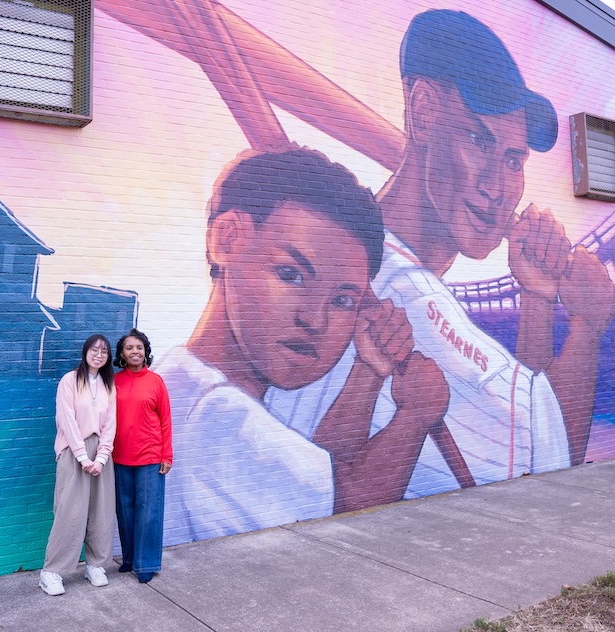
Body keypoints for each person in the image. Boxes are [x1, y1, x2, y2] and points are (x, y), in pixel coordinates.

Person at [266, 10, 615, 496]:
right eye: (478, 140)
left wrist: (536, 298)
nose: (498, 188)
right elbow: (550, 456)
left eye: (513, 160)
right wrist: (588, 326)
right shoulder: (387, 287)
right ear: (424, 110)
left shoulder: (396, 275)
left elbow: (524, 404)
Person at [155, 148, 449, 547]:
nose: (315, 319)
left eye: (343, 300)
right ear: (226, 239)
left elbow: (322, 472)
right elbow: (348, 507)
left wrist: (368, 370)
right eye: (291, 274)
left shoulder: (177, 383)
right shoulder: (216, 414)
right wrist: (415, 415)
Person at [38, 334, 117, 596]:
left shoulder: (108, 385)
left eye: (104, 352)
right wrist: (83, 457)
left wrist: (102, 456)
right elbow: (66, 420)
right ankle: (52, 572)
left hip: (101, 456)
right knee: (70, 511)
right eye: (94, 350)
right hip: (74, 451)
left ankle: (95, 565)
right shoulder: (70, 381)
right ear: (85, 352)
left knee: (101, 511)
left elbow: (110, 424)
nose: (98, 355)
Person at [113, 328, 172, 583]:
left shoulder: (156, 381)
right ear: (122, 354)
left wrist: (166, 455)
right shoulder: (114, 381)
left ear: (145, 352)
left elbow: (166, 420)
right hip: (119, 457)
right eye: (129, 348)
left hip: (149, 457)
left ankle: (146, 563)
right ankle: (129, 558)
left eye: (139, 347)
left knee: (148, 511)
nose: (134, 351)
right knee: (125, 510)